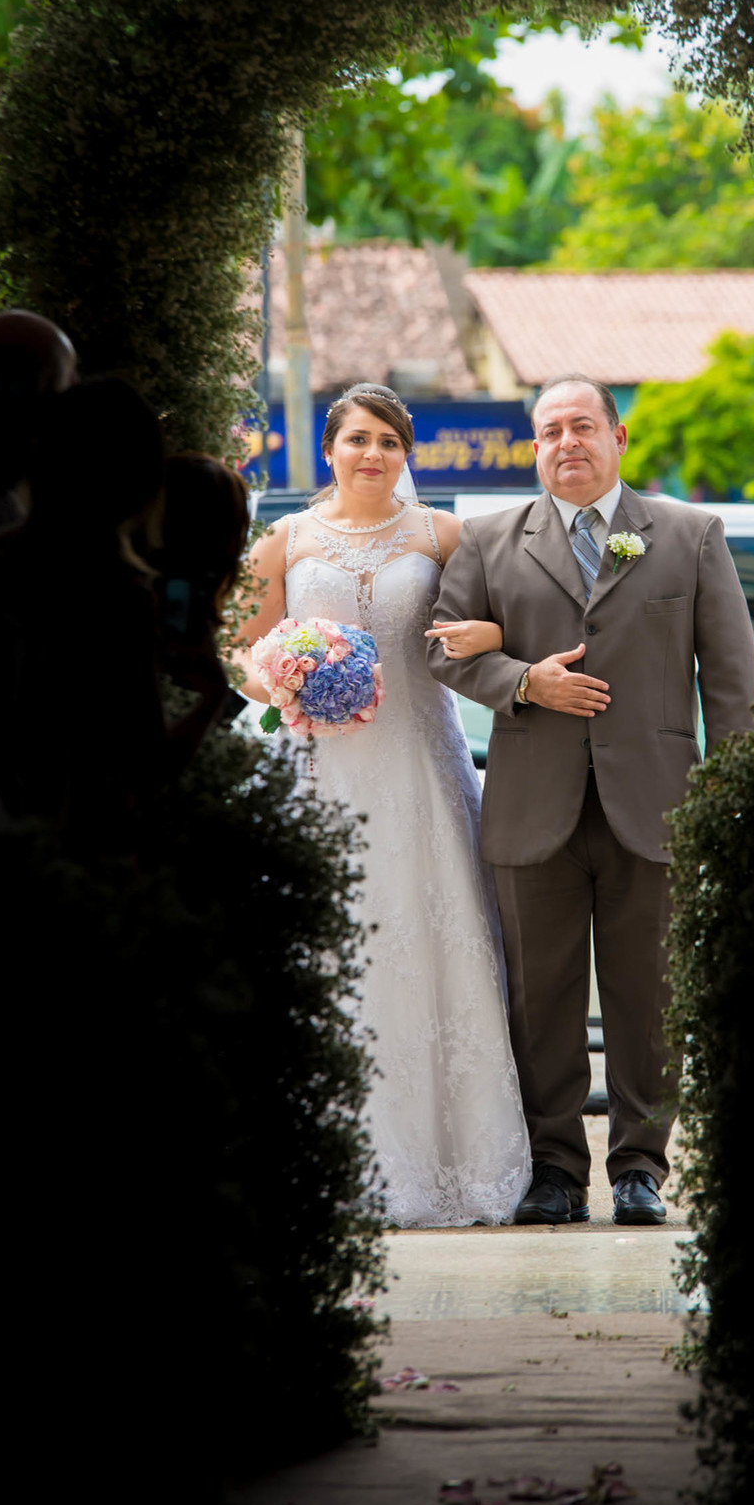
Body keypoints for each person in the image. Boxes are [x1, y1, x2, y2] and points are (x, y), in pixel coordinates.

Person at [426, 375, 754, 1227]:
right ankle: (555, 1170)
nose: (565, 442)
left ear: (619, 439)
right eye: (548, 431)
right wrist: (524, 681)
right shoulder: (491, 541)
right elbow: (446, 650)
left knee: (649, 997)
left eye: (582, 427)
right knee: (540, 1002)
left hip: (655, 807)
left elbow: (729, 683)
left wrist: (735, 799)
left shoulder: (689, 534)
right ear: (533, 447)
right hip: (531, 810)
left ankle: (643, 1167)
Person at [237, 383, 531, 1228]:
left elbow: (504, 622)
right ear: (329, 448)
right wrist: (280, 674)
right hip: (319, 772)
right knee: (328, 951)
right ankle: (328, 1161)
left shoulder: (443, 535)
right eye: (358, 439)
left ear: (408, 454)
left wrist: (490, 639)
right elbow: (242, 649)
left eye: (390, 442)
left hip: (419, 767)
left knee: (435, 944)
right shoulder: (286, 540)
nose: (373, 455)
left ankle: (451, 1166)